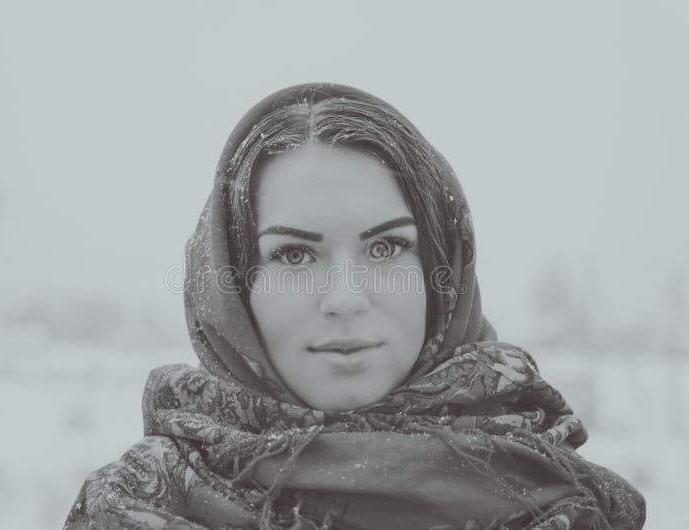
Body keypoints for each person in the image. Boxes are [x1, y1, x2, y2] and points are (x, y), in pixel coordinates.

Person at [63, 83, 646, 529]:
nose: (345, 298)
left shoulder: (560, 499)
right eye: (293, 255)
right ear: (232, 288)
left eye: (387, 247)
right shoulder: (138, 505)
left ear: (443, 274)